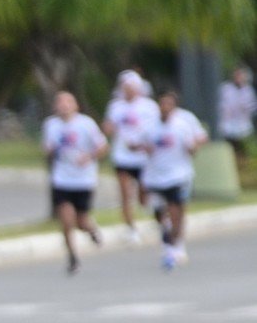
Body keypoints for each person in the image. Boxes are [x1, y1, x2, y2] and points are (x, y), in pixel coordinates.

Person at [135, 90, 207, 271]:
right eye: (162, 104)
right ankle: (168, 242)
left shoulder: (182, 125)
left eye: (169, 105)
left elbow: (193, 146)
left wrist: (193, 148)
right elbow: (134, 143)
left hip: (177, 175)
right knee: (160, 215)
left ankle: (175, 246)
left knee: (176, 212)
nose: (165, 108)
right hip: (155, 177)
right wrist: (142, 147)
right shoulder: (149, 126)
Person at [40, 92, 107, 275]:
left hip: (84, 180)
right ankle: (72, 257)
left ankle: (91, 230)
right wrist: (48, 152)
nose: (64, 106)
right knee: (66, 220)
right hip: (62, 179)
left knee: (81, 220)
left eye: (67, 102)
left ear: (75, 105)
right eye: (60, 103)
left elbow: (102, 146)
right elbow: (48, 148)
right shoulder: (51, 125)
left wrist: (89, 157)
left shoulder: (86, 124)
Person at [103, 70, 160, 243]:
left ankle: (152, 210)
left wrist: (145, 145)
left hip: (142, 157)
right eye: (125, 87)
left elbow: (156, 129)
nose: (128, 90)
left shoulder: (149, 107)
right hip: (122, 156)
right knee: (125, 194)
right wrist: (108, 129)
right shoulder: (115, 106)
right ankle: (130, 228)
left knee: (144, 194)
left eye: (132, 86)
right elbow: (109, 127)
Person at [217, 66, 255, 160]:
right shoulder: (225, 88)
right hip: (227, 125)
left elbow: (252, 106)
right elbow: (220, 104)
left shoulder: (248, 90)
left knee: (242, 150)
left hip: (243, 125)